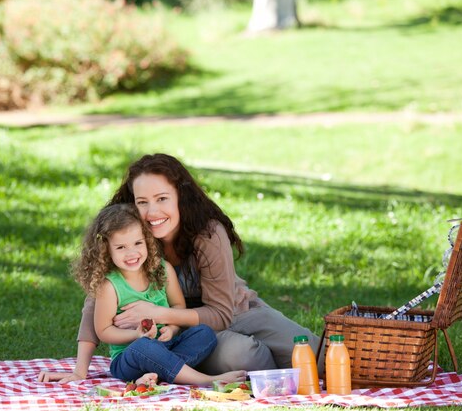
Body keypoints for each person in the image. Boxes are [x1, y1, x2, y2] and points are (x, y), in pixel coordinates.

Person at [38, 153, 321, 383]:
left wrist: (158, 313)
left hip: (233, 311)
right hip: (180, 331)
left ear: (179, 197)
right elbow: (96, 300)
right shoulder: (133, 241)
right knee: (241, 354)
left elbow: (221, 314)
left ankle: (289, 371)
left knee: (313, 351)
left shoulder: (207, 234)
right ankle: (276, 381)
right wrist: (80, 370)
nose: (153, 213)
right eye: (142, 202)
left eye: (162, 199)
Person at [39, 203, 246, 385]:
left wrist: (172, 329)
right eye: (121, 247)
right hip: (129, 358)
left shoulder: (163, 270)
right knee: (145, 347)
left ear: (147, 240)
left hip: (167, 346)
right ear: (106, 250)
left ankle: (156, 374)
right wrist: (136, 335)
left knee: (204, 333)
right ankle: (205, 380)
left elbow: (178, 307)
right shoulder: (109, 286)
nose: (131, 253)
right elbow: (103, 331)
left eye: (138, 243)